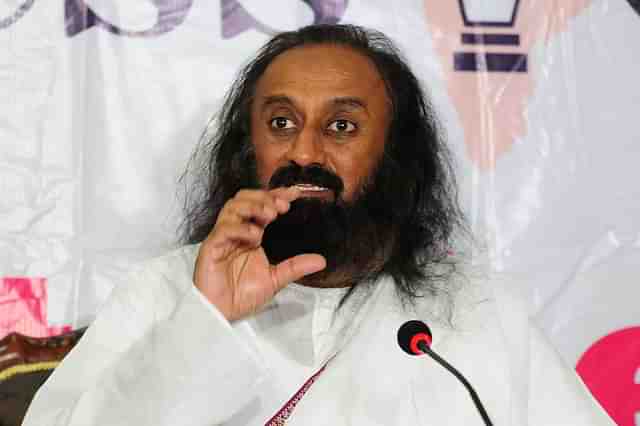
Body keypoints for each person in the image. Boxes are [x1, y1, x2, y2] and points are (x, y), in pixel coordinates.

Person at [24, 24, 613, 425]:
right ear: (246, 148)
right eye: (281, 122)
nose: (304, 152)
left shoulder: (472, 310)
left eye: (341, 128)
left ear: (394, 157)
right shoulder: (167, 291)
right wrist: (204, 321)